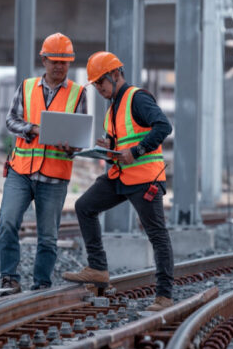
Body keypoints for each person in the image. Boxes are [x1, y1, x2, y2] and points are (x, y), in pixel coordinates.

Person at [62, 51, 175, 312]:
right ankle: (98, 268)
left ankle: (164, 296)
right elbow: (126, 138)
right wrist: (109, 146)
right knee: (84, 207)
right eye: (95, 85)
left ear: (115, 74)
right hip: (119, 176)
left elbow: (163, 127)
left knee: (157, 235)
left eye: (100, 82)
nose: (99, 89)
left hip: (144, 179)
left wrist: (135, 152)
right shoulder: (113, 107)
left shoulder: (138, 98)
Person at [0, 32, 87, 295]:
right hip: (21, 171)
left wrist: (71, 146)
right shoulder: (26, 88)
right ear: (44, 60)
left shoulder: (78, 94)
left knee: (48, 237)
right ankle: (9, 278)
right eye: (54, 61)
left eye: (64, 62)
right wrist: (33, 129)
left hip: (54, 176)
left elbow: (79, 135)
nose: (59, 66)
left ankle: (41, 284)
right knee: (8, 222)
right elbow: (10, 121)